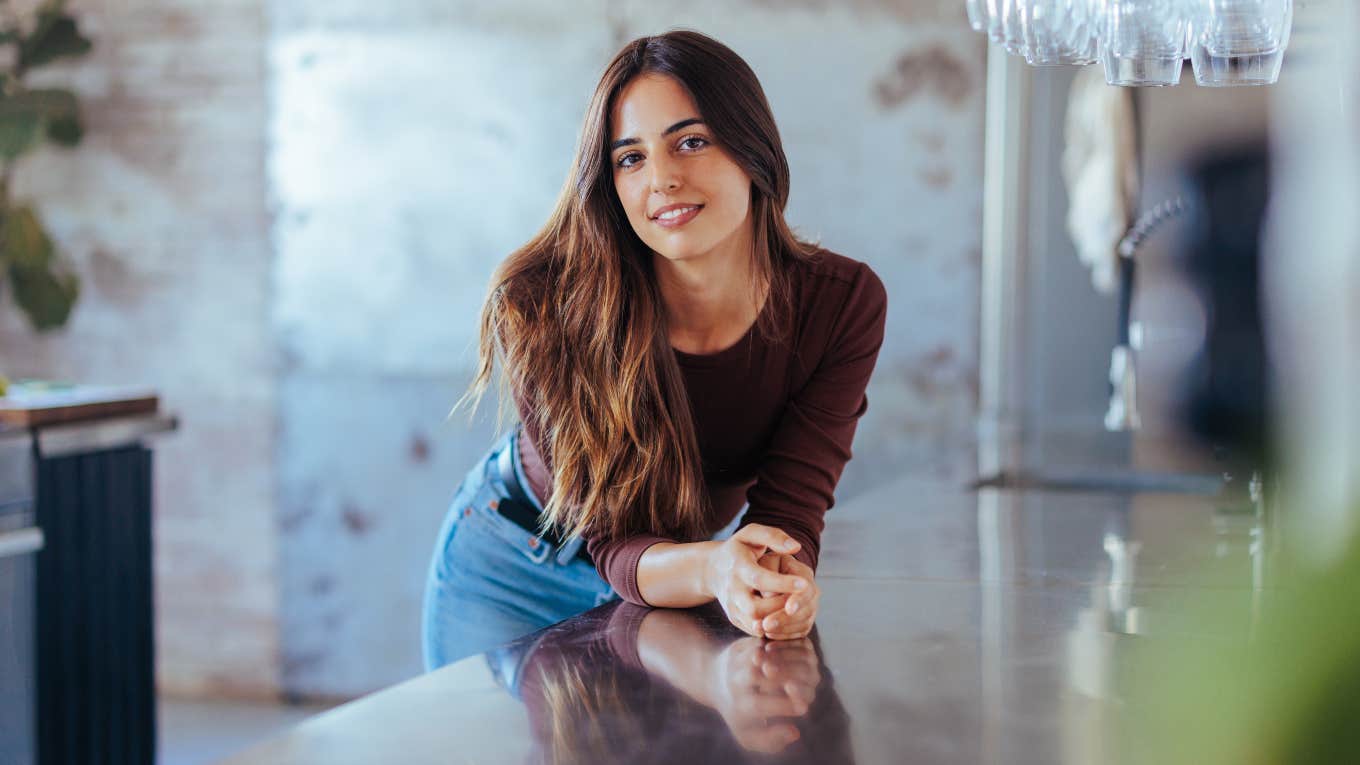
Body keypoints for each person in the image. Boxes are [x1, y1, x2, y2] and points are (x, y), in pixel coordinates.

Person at [421, 29, 887, 671]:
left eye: (690, 142)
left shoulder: (838, 303)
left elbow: (792, 507)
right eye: (630, 158)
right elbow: (613, 544)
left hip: (677, 573)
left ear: (753, 150)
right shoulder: (545, 307)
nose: (662, 179)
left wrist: (778, 585)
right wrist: (719, 568)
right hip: (512, 562)